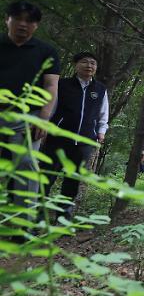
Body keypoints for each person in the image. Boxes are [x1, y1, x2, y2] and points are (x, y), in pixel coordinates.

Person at [0, 1, 60, 219]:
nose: (23, 24)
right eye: (18, 19)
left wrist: (44, 118)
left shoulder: (46, 51)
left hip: (28, 116)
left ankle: (22, 224)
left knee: (26, 164)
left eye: (30, 21)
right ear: (8, 19)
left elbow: (51, 86)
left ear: (36, 25)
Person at [42, 51, 108, 218]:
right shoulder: (62, 85)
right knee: (46, 177)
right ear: (76, 65)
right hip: (57, 139)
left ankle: (63, 218)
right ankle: (36, 219)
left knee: (72, 181)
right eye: (85, 62)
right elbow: (52, 107)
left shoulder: (99, 89)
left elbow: (103, 113)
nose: (89, 66)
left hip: (84, 142)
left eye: (93, 63)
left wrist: (101, 132)